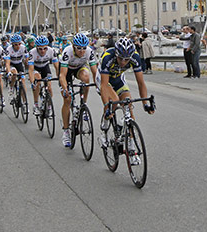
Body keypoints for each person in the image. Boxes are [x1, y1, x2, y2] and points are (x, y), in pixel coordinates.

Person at [98, 37, 154, 165]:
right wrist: (107, 107)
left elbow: (141, 83)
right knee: (115, 101)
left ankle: (132, 149)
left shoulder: (134, 57)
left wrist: (145, 104)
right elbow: (104, 85)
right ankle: (105, 127)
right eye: (120, 58)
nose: (123, 62)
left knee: (128, 105)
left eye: (126, 59)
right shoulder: (107, 57)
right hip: (104, 80)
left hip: (118, 79)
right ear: (116, 54)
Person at [58, 33, 98, 147]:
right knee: (67, 99)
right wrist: (65, 89)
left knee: (86, 77)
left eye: (84, 48)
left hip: (79, 68)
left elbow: (95, 72)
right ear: (73, 46)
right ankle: (66, 131)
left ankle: (83, 104)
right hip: (67, 71)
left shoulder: (89, 52)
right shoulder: (67, 52)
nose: (82, 51)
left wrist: (99, 86)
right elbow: (62, 75)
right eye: (79, 48)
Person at [27, 35, 60, 115]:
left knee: (49, 86)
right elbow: (30, 69)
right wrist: (32, 82)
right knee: (37, 82)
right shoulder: (32, 52)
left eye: (45, 48)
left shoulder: (51, 51)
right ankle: (36, 104)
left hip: (45, 67)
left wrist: (59, 77)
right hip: (36, 68)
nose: (42, 51)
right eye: (40, 49)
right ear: (36, 47)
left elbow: (57, 66)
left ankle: (49, 106)